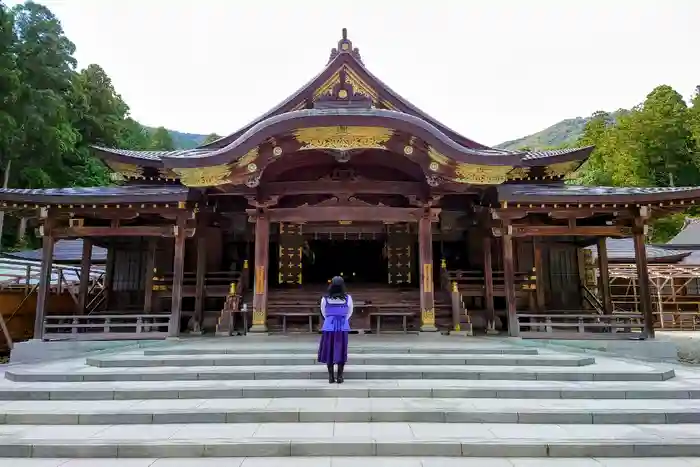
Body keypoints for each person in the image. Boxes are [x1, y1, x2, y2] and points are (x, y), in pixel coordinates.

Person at [318, 276, 352, 384]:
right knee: (341, 350)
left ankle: (331, 376)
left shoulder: (325, 299)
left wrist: (330, 319)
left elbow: (323, 312)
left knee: (329, 350)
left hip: (329, 326)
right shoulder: (348, 298)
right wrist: (342, 319)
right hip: (342, 327)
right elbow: (349, 312)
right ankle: (340, 376)